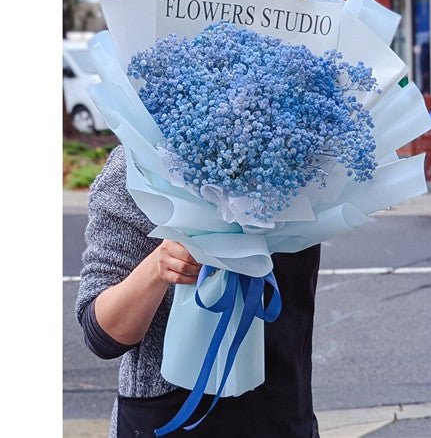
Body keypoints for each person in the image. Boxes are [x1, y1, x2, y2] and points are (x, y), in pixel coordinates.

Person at [76, 145, 321, 438]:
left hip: (282, 412)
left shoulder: (306, 161)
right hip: (171, 416)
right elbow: (102, 336)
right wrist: (159, 266)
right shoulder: (140, 164)